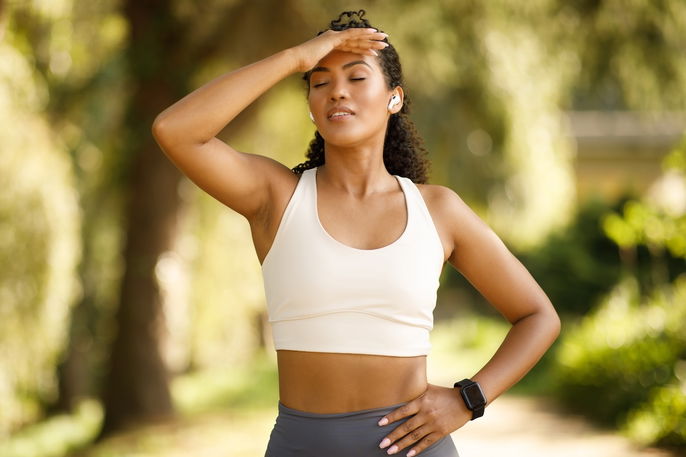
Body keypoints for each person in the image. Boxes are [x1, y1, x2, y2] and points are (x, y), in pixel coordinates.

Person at [152, 9, 560, 457]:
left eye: (356, 77)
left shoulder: (439, 211)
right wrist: (294, 58)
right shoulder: (276, 197)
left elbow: (538, 317)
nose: (336, 91)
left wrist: (468, 400)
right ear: (310, 106)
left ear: (394, 98)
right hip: (301, 446)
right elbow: (176, 131)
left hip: (414, 447)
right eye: (320, 81)